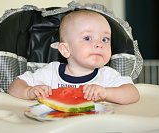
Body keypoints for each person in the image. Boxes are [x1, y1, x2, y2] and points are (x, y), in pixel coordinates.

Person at [8, 10, 140, 104]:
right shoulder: (50, 73)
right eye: (87, 38)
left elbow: (133, 94)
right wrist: (28, 92)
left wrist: (106, 93)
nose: (99, 44)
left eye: (105, 39)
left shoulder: (107, 75)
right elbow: (15, 87)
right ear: (65, 49)